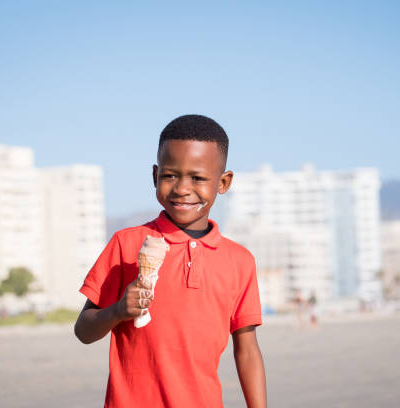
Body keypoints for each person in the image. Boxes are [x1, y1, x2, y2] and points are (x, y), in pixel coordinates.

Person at [74, 115, 267, 408]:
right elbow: (83, 331)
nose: (181, 188)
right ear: (155, 176)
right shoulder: (126, 244)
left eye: (198, 178)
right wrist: (116, 311)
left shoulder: (239, 262)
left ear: (224, 182)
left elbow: (248, 351)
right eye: (170, 175)